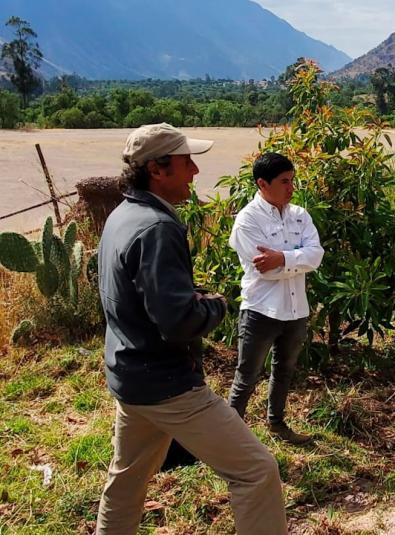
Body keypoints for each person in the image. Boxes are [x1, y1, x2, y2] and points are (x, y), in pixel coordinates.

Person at [96, 123, 287, 534]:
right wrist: (214, 307)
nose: (195, 172)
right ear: (157, 170)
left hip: (129, 375)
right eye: (187, 163)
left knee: (126, 479)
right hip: (167, 385)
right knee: (256, 471)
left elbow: (138, 295)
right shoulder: (158, 228)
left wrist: (187, 296)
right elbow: (178, 322)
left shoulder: (123, 215)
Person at [228, 152, 324, 445]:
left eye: (292, 180)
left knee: (284, 370)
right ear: (262, 183)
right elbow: (265, 271)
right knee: (247, 375)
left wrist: (282, 257)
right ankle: (229, 437)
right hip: (261, 310)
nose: (291, 187)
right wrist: (298, 259)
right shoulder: (247, 221)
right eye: (284, 181)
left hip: (296, 309)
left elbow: (316, 255)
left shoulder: (299, 215)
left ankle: (277, 424)